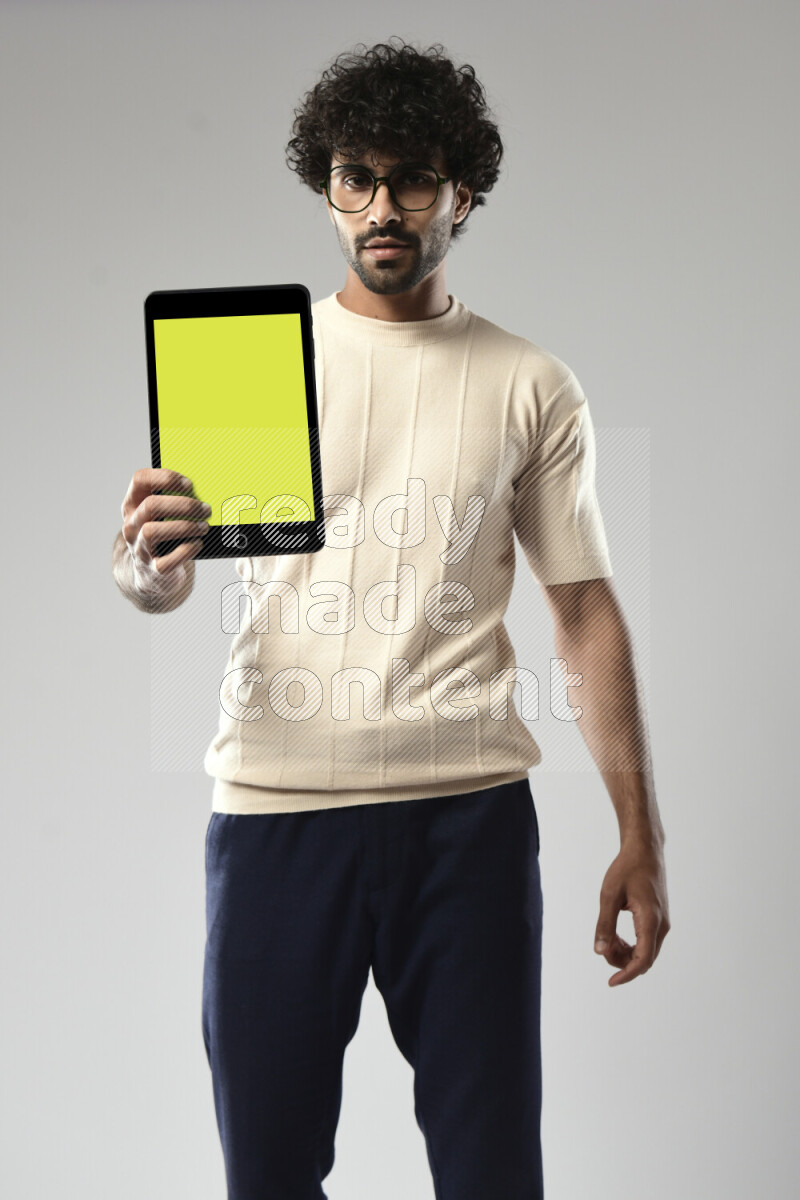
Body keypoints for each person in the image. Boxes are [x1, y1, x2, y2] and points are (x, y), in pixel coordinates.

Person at [112, 38, 669, 1200]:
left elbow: (582, 614)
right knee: (265, 1177)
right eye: (354, 178)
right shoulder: (260, 363)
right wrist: (149, 573)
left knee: (488, 1175)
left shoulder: (528, 382)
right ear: (325, 186)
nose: (381, 207)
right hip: (276, 817)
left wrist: (639, 834)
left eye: (411, 179)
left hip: (463, 824)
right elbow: (181, 571)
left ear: (460, 191)